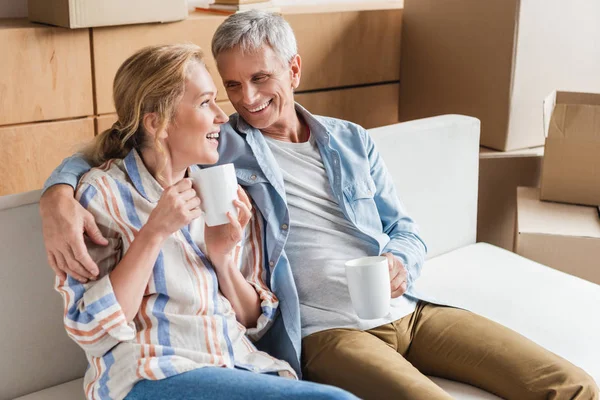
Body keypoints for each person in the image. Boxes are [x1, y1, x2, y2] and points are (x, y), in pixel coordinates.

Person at [40, 11, 598, 400]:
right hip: (328, 332)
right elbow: (133, 133)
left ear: (295, 71)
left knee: (570, 385)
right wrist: (57, 195)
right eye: (231, 87)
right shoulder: (222, 143)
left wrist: (402, 262)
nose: (247, 100)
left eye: (260, 79)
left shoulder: (351, 139)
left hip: (410, 311)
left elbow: (404, 228)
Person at [50, 43, 356, 400]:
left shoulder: (223, 190)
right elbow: (93, 331)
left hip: (237, 363)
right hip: (151, 370)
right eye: (205, 102)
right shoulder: (100, 193)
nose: (222, 116)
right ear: (157, 122)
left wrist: (224, 260)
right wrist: (154, 232)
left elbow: (255, 323)